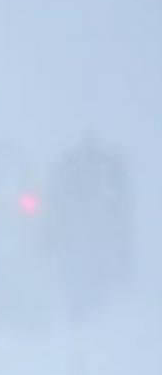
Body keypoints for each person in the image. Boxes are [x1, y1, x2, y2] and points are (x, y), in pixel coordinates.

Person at [43, 132, 133, 327]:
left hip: (78, 239)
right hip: (82, 240)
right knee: (82, 273)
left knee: (80, 273)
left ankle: (83, 316)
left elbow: (55, 207)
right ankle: (85, 317)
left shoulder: (69, 172)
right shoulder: (106, 176)